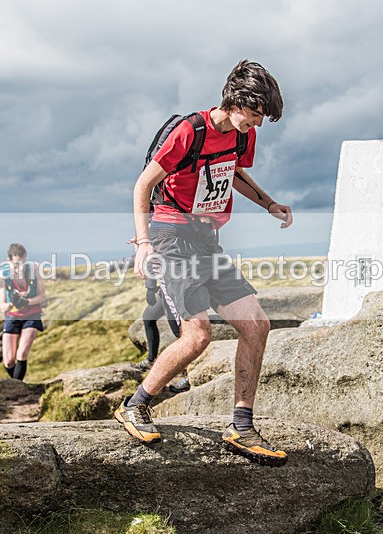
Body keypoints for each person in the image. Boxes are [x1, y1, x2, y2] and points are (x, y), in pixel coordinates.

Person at [115, 59, 293, 466]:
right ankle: (135, 404)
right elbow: (144, 183)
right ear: (234, 101)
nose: (258, 126)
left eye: (262, 118)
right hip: (170, 236)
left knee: (257, 325)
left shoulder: (242, 136)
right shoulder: (189, 131)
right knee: (197, 335)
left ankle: (241, 425)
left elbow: (232, 174)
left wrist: (269, 204)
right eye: (254, 115)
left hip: (206, 239)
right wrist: (144, 243)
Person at [0, 243, 47, 381]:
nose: (20, 268)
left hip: (32, 315)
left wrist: (26, 302)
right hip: (12, 316)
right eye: (17, 265)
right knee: (9, 361)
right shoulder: (1, 276)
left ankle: (17, 389)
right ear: (9, 261)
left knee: (22, 353)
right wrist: (12, 303)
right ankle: (18, 385)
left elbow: (42, 296)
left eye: (23, 263)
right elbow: (3, 307)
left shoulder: (34, 270)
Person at [131, 280, 190, 393]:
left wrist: (151, 287)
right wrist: (151, 287)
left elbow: (158, 262)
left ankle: (189, 376)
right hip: (165, 289)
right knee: (148, 317)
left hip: (175, 287)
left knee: (180, 332)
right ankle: (151, 360)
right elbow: (152, 263)